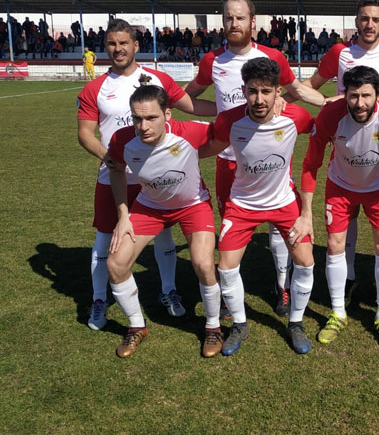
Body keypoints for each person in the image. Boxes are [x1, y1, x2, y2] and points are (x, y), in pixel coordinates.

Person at [184, 0, 324, 318]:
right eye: (229, 18)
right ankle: (233, 298)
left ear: (253, 22)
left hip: (271, 157)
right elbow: (186, 98)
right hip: (229, 161)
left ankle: (282, 286)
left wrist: (329, 106)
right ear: (223, 22)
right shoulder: (212, 61)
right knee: (232, 232)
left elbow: (297, 92)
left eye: (240, 18)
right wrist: (220, 113)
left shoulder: (273, 56)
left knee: (280, 228)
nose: (234, 24)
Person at [76, 18, 205, 332]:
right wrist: (111, 158)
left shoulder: (157, 78)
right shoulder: (95, 87)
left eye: (123, 43)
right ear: (105, 47)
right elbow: (85, 134)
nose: (117, 49)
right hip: (114, 177)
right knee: (106, 239)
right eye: (111, 44)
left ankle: (168, 290)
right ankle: (98, 299)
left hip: (155, 176)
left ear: (136, 45)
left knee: (163, 236)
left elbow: (191, 106)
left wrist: (242, 109)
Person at [198, 57, 317, 355]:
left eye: (266, 91)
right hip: (243, 204)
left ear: (278, 91)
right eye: (253, 91)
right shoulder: (229, 121)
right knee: (225, 268)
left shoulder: (295, 116)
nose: (259, 99)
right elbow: (206, 148)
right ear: (243, 90)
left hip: (284, 202)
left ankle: (296, 322)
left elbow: (322, 131)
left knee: (306, 261)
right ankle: (239, 324)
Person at [299, 66, 379, 348]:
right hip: (340, 186)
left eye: (367, 95)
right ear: (344, 94)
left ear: (378, 94)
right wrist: (305, 213)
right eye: (353, 96)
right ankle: (338, 312)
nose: (360, 103)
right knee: (334, 244)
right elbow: (310, 164)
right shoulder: (330, 115)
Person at [302, 0, 379, 305]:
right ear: (356, 21)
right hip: (345, 142)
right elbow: (310, 84)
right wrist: (327, 104)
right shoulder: (339, 52)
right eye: (364, 18)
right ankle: (346, 280)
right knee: (344, 224)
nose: (369, 24)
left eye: (376, 19)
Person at [105, 85, 221, 358]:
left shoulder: (189, 131)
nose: (143, 126)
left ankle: (213, 326)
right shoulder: (122, 139)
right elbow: (116, 170)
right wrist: (123, 216)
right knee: (115, 264)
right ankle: (136, 327)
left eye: (151, 118)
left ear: (168, 114)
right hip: (149, 208)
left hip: (192, 205)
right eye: (137, 118)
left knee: (204, 263)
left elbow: (227, 130)